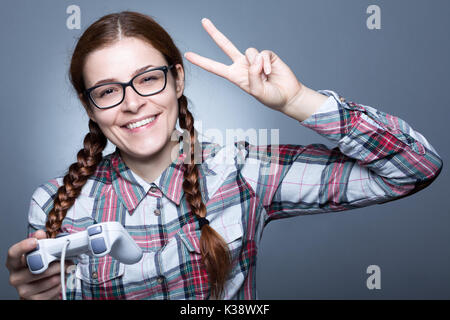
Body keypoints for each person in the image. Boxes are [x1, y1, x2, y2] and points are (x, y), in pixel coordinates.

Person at [5, 11, 442, 300]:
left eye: (148, 79)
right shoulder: (53, 203)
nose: (132, 102)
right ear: (90, 107)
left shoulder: (241, 170)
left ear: (178, 81)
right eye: (107, 90)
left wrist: (297, 101)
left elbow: (414, 168)